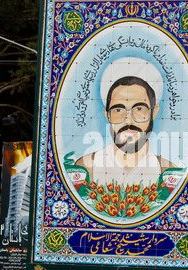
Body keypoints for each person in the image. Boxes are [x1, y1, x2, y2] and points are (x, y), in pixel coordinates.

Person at [76, 57, 179, 188]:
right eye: (118, 110)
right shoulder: (85, 169)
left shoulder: (168, 174)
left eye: (139, 109)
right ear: (107, 115)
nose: (129, 120)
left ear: (154, 112)